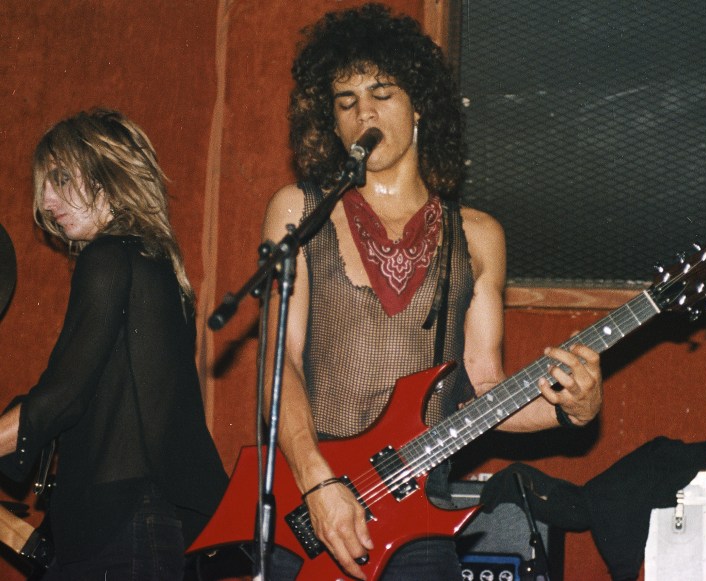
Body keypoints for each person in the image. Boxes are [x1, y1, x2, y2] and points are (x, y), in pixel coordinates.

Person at [261, 4, 603, 580]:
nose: (363, 111)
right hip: (312, 503)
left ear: (419, 104)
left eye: (381, 93)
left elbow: (484, 393)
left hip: (417, 518)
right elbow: (280, 364)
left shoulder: (477, 236)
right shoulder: (298, 212)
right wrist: (316, 481)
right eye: (346, 102)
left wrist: (573, 410)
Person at [0, 108, 228, 580]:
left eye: (59, 179)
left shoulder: (106, 259)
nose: (45, 202)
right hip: (152, 525)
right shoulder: (157, 265)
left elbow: (62, 397)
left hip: (116, 527)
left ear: (108, 176)